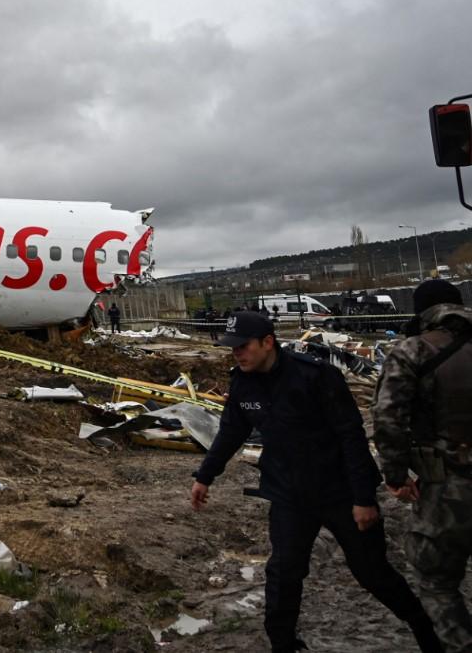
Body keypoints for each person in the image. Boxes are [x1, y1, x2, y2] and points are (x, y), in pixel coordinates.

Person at [189, 311, 440, 652]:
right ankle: (283, 644)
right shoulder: (242, 383)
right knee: (284, 572)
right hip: (289, 494)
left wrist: (364, 499)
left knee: (373, 574)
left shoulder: (316, 376)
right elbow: (232, 431)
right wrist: (205, 476)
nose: (237, 354)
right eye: (232, 348)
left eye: (243, 346)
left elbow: (351, 437)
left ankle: (426, 631)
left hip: (339, 491)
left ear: (267, 342)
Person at [374, 278, 472, 653]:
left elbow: (388, 419)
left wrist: (396, 477)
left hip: (449, 487)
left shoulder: (412, 351)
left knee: (437, 582)